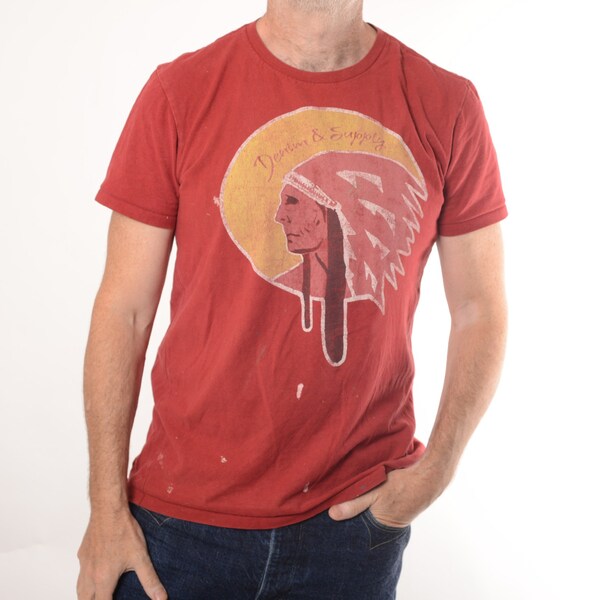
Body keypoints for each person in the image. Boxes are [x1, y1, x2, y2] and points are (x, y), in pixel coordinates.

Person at [77, 0, 508, 598]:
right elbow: (123, 310)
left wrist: (435, 473)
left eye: (294, 204)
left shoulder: (447, 104)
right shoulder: (181, 91)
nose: (280, 218)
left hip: (355, 525)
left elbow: (479, 309)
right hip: (177, 525)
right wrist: (104, 509)